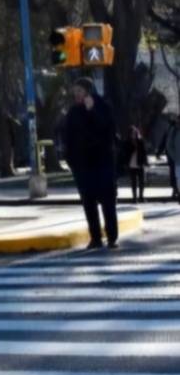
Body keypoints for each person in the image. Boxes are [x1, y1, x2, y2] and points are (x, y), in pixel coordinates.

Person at [62, 78, 120, 250]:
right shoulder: (73, 112)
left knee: (108, 203)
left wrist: (92, 110)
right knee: (88, 203)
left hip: (103, 163)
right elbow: (68, 138)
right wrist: (71, 161)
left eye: (80, 91)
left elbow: (107, 129)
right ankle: (95, 237)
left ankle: (112, 237)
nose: (77, 95)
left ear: (89, 91)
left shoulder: (103, 106)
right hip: (83, 165)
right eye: (75, 92)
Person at [121, 125, 148, 203]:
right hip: (132, 163)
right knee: (134, 181)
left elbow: (144, 152)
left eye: (134, 133)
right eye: (132, 133)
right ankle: (134, 198)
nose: (133, 134)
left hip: (140, 163)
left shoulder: (140, 141)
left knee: (142, 181)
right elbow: (125, 153)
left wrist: (145, 162)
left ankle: (141, 196)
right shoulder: (127, 142)